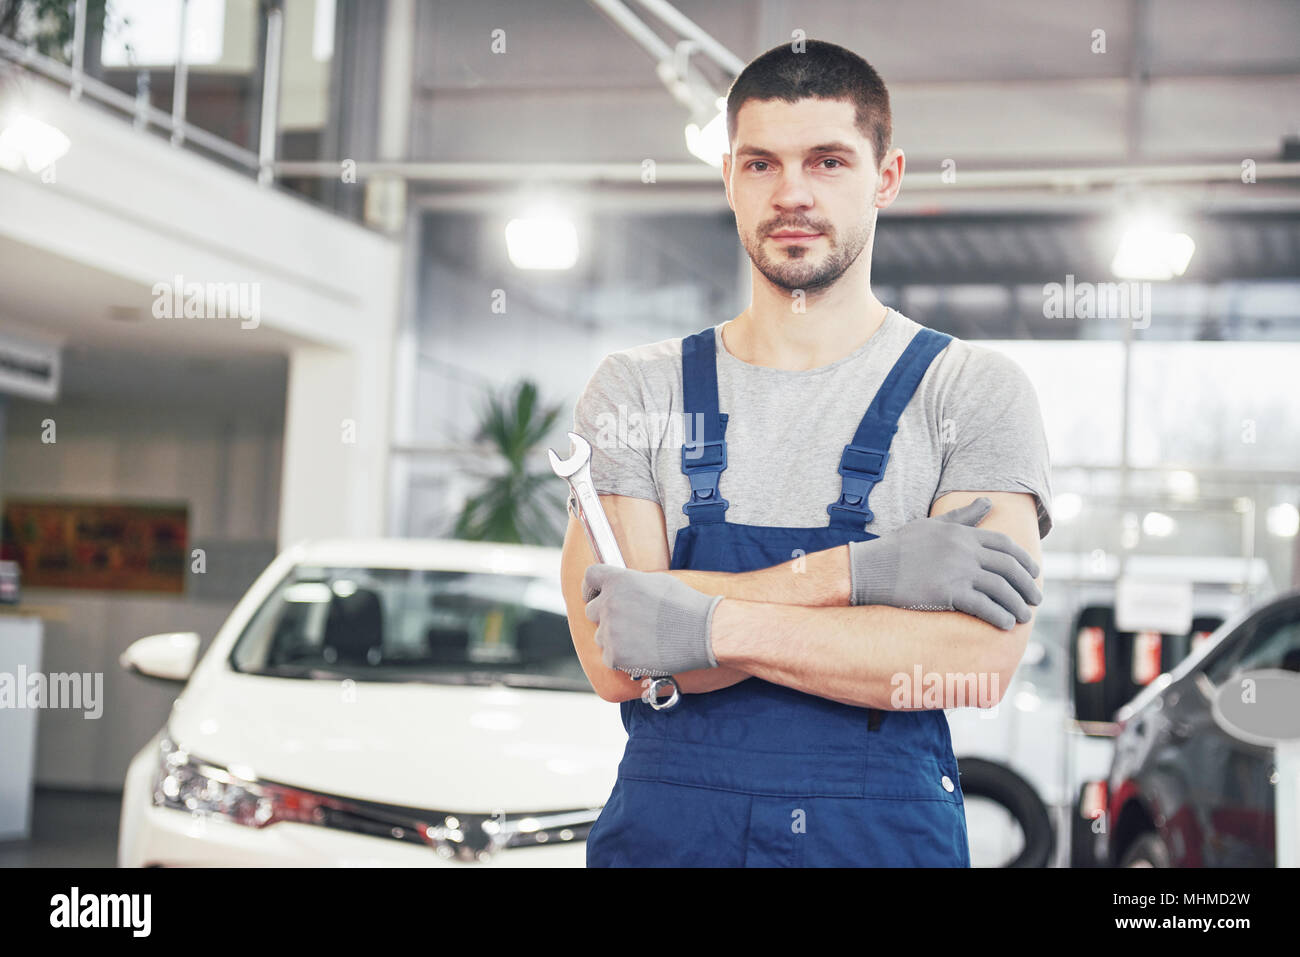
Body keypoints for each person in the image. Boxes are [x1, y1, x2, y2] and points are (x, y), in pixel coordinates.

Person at [560, 39, 1053, 867]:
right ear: (728, 178)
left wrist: (698, 624)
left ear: (886, 176)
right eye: (761, 164)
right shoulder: (636, 391)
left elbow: (969, 665)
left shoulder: (973, 391)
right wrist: (860, 577)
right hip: (670, 839)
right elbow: (620, 655)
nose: (792, 193)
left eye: (828, 161)